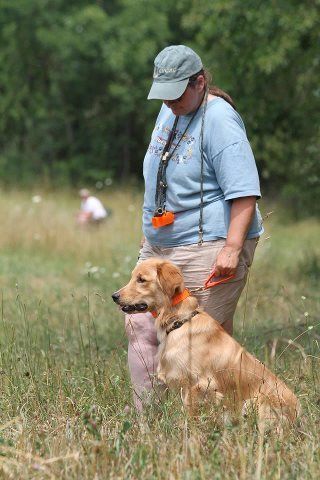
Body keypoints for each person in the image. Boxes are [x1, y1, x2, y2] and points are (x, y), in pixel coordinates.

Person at [125, 45, 263, 410]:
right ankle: (146, 423)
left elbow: (245, 191)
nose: (169, 103)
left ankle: (211, 431)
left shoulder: (219, 119)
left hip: (211, 243)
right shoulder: (170, 111)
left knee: (195, 343)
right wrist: (150, 232)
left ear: (199, 83)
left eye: (176, 94)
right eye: (163, 95)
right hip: (161, 246)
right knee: (140, 327)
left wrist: (232, 248)